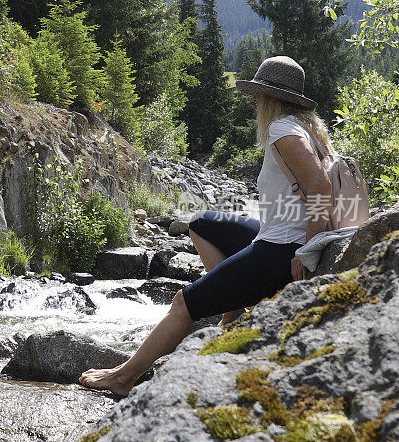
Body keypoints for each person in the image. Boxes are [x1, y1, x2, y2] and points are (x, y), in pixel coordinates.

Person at [79, 56, 334, 396]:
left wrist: (308, 251)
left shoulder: (281, 129)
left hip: (283, 248)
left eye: (258, 93)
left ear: (271, 97)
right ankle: (233, 311)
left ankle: (123, 378)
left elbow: (321, 190)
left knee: (184, 303)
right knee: (201, 222)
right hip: (275, 235)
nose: (253, 99)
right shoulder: (306, 127)